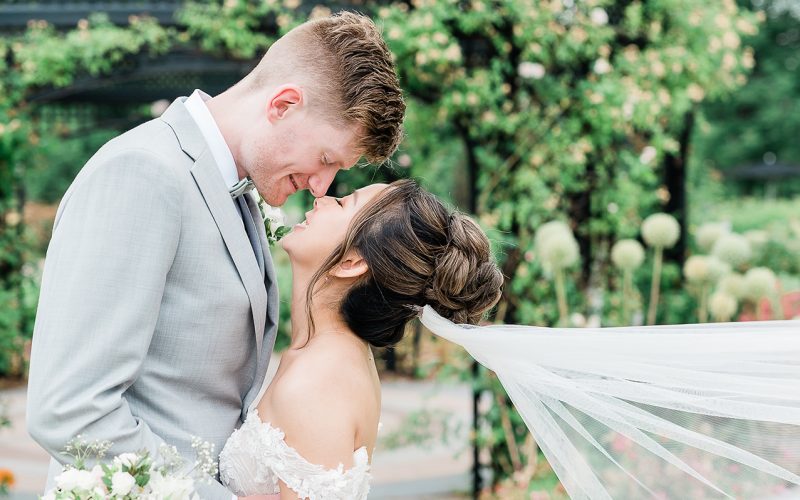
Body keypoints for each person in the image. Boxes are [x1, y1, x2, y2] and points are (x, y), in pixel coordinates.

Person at [26, 12, 404, 499]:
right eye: (327, 160)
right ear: (284, 105)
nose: (321, 187)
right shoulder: (143, 173)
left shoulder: (238, 189)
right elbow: (70, 409)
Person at [219, 180, 504, 499]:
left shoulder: (318, 385)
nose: (322, 199)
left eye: (342, 204)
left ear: (350, 263)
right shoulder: (329, 356)